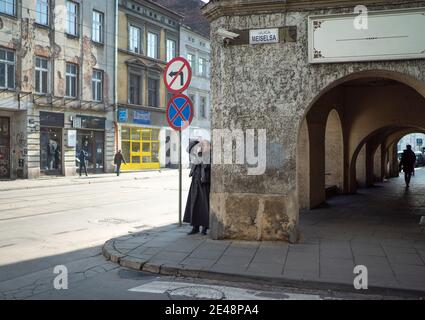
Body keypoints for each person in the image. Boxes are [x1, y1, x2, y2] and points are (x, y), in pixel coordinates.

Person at [183, 139, 211, 235]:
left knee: (204, 206)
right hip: (195, 182)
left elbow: (206, 166)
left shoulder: (207, 155)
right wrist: (197, 142)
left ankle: (204, 228)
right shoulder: (195, 155)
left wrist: (201, 153)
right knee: (194, 205)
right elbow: (188, 149)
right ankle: (195, 227)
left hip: (204, 183)